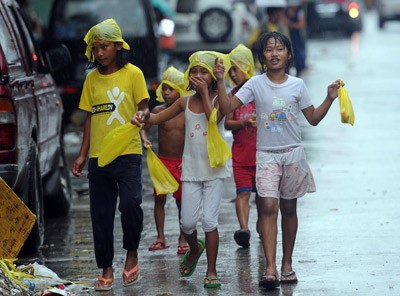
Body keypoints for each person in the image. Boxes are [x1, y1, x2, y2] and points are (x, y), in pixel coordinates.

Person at [214, 31, 341, 290]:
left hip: (293, 154)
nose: (274, 53)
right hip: (266, 155)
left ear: (288, 54)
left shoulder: (297, 85)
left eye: (279, 49)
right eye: (269, 49)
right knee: (268, 206)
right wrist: (218, 81)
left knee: (289, 210)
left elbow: (313, 118)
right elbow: (226, 108)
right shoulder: (255, 84)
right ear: (262, 56)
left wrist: (329, 97)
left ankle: (287, 264)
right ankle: (270, 268)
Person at [132, 51, 231, 289]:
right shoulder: (183, 102)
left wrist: (211, 90)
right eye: (194, 71)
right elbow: (156, 118)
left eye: (203, 72)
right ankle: (195, 248)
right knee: (187, 223)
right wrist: (142, 116)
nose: (197, 76)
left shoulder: (219, 99)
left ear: (212, 77)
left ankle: (211, 271)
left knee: (209, 221)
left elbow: (213, 118)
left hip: (214, 171)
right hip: (190, 171)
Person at [71, 19, 150, 291]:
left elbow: (145, 108)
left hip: (128, 152)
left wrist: (143, 116)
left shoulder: (134, 74)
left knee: (130, 204)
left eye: (104, 47)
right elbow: (90, 119)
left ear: (118, 46)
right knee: (101, 215)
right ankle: (106, 267)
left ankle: (132, 253)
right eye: (95, 49)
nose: (100, 53)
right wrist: (82, 155)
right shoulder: (91, 79)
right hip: (99, 157)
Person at [140, 66, 191, 255]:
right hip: (162, 162)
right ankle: (160, 237)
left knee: (182, 202)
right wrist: (144, 138)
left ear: (181, 90)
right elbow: (145, 127)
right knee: (160, 199)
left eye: (171, 89)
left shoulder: (187, 111)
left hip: (181, 163)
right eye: (164, 88)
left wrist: (189, 158)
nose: (166, 93)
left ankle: (183, 237)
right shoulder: (158, 110)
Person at [225, 44, 260, 248]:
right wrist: (244, 123)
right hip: (241, 155)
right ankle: (244, 229)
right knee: (243, 193)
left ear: (247, 67)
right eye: (231, 70)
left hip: (262, 155)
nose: (233, 74)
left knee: (263, 198)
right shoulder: (233, 96)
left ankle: (261, 224)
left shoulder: (259, 92)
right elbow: (228, 123)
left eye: (236, 69)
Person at [284, 0, 307, 76]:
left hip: (296, 37)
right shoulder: (284, 12)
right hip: (286, 36)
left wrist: (289, 24)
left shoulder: (299, 13)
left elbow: (301, 25)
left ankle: (299, 69)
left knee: (298, 53)